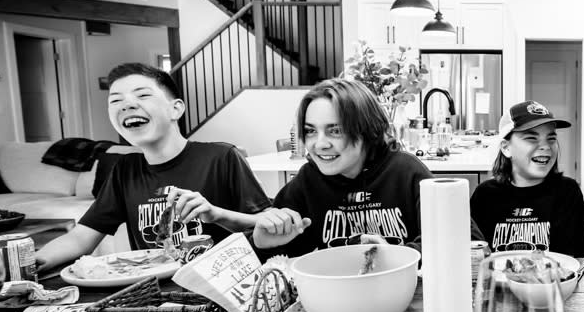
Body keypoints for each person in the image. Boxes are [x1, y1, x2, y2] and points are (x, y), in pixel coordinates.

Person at [35, 62, 274, 271]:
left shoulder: (221, 157)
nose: (127, 105)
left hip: (218, 291)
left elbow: (268, 224)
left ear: (176, 108)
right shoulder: (124, 170)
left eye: (142, 95)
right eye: (116, 100)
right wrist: (30, 264)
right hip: (154, 299)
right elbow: (80, 238)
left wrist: (217, 214)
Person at [253, 77, 480, 258]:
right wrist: (264, 243)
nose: (319, 144)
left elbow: (470, 241)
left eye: (335, 130)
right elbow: (283, 258)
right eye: (311, 130)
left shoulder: (405, 171)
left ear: (367, 130)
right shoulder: (308, 181)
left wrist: (396, 255)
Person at [469, 100, 584, 257]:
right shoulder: (485, 195)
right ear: (506, 148)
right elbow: (475, 256)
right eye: (532, 138)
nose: (545, 146)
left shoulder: (568, 192)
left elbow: (579, 259)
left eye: (551, 138)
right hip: (497, 281)